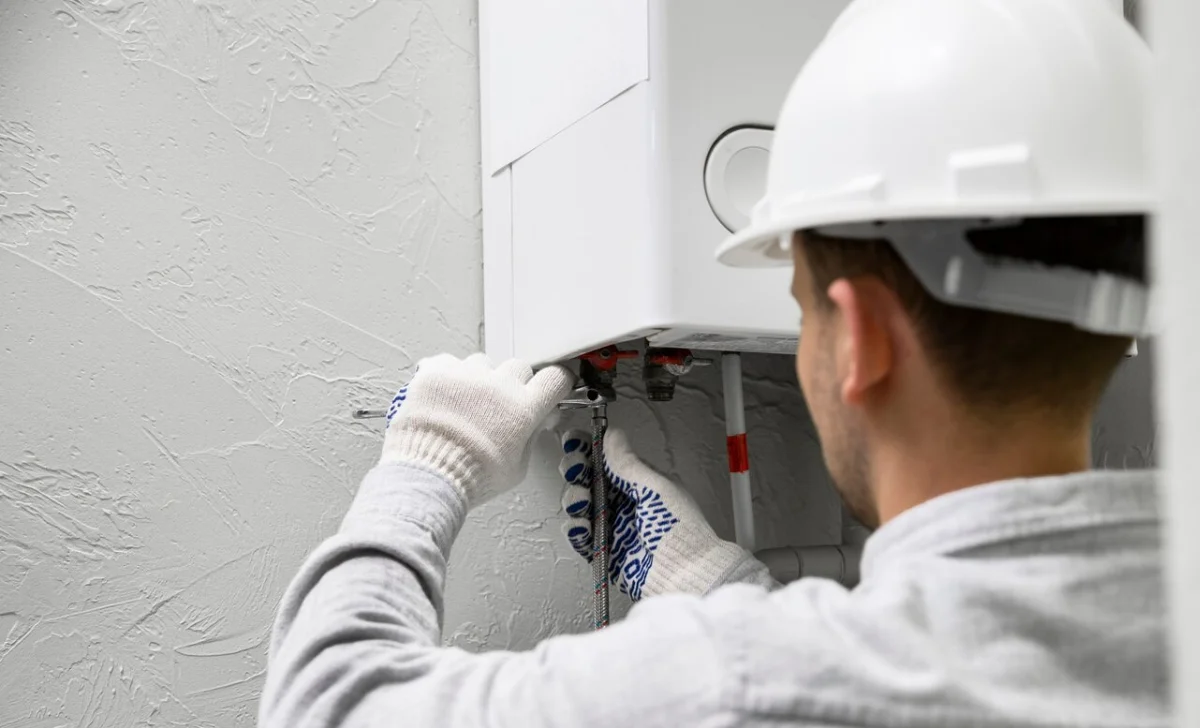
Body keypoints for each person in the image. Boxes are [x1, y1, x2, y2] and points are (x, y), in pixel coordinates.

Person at [259, 0, 1166, 725]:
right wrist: (709, 581)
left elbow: (325, 707)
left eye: (802, 307)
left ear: (861, 337)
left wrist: (431, 461)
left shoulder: (728, 683)